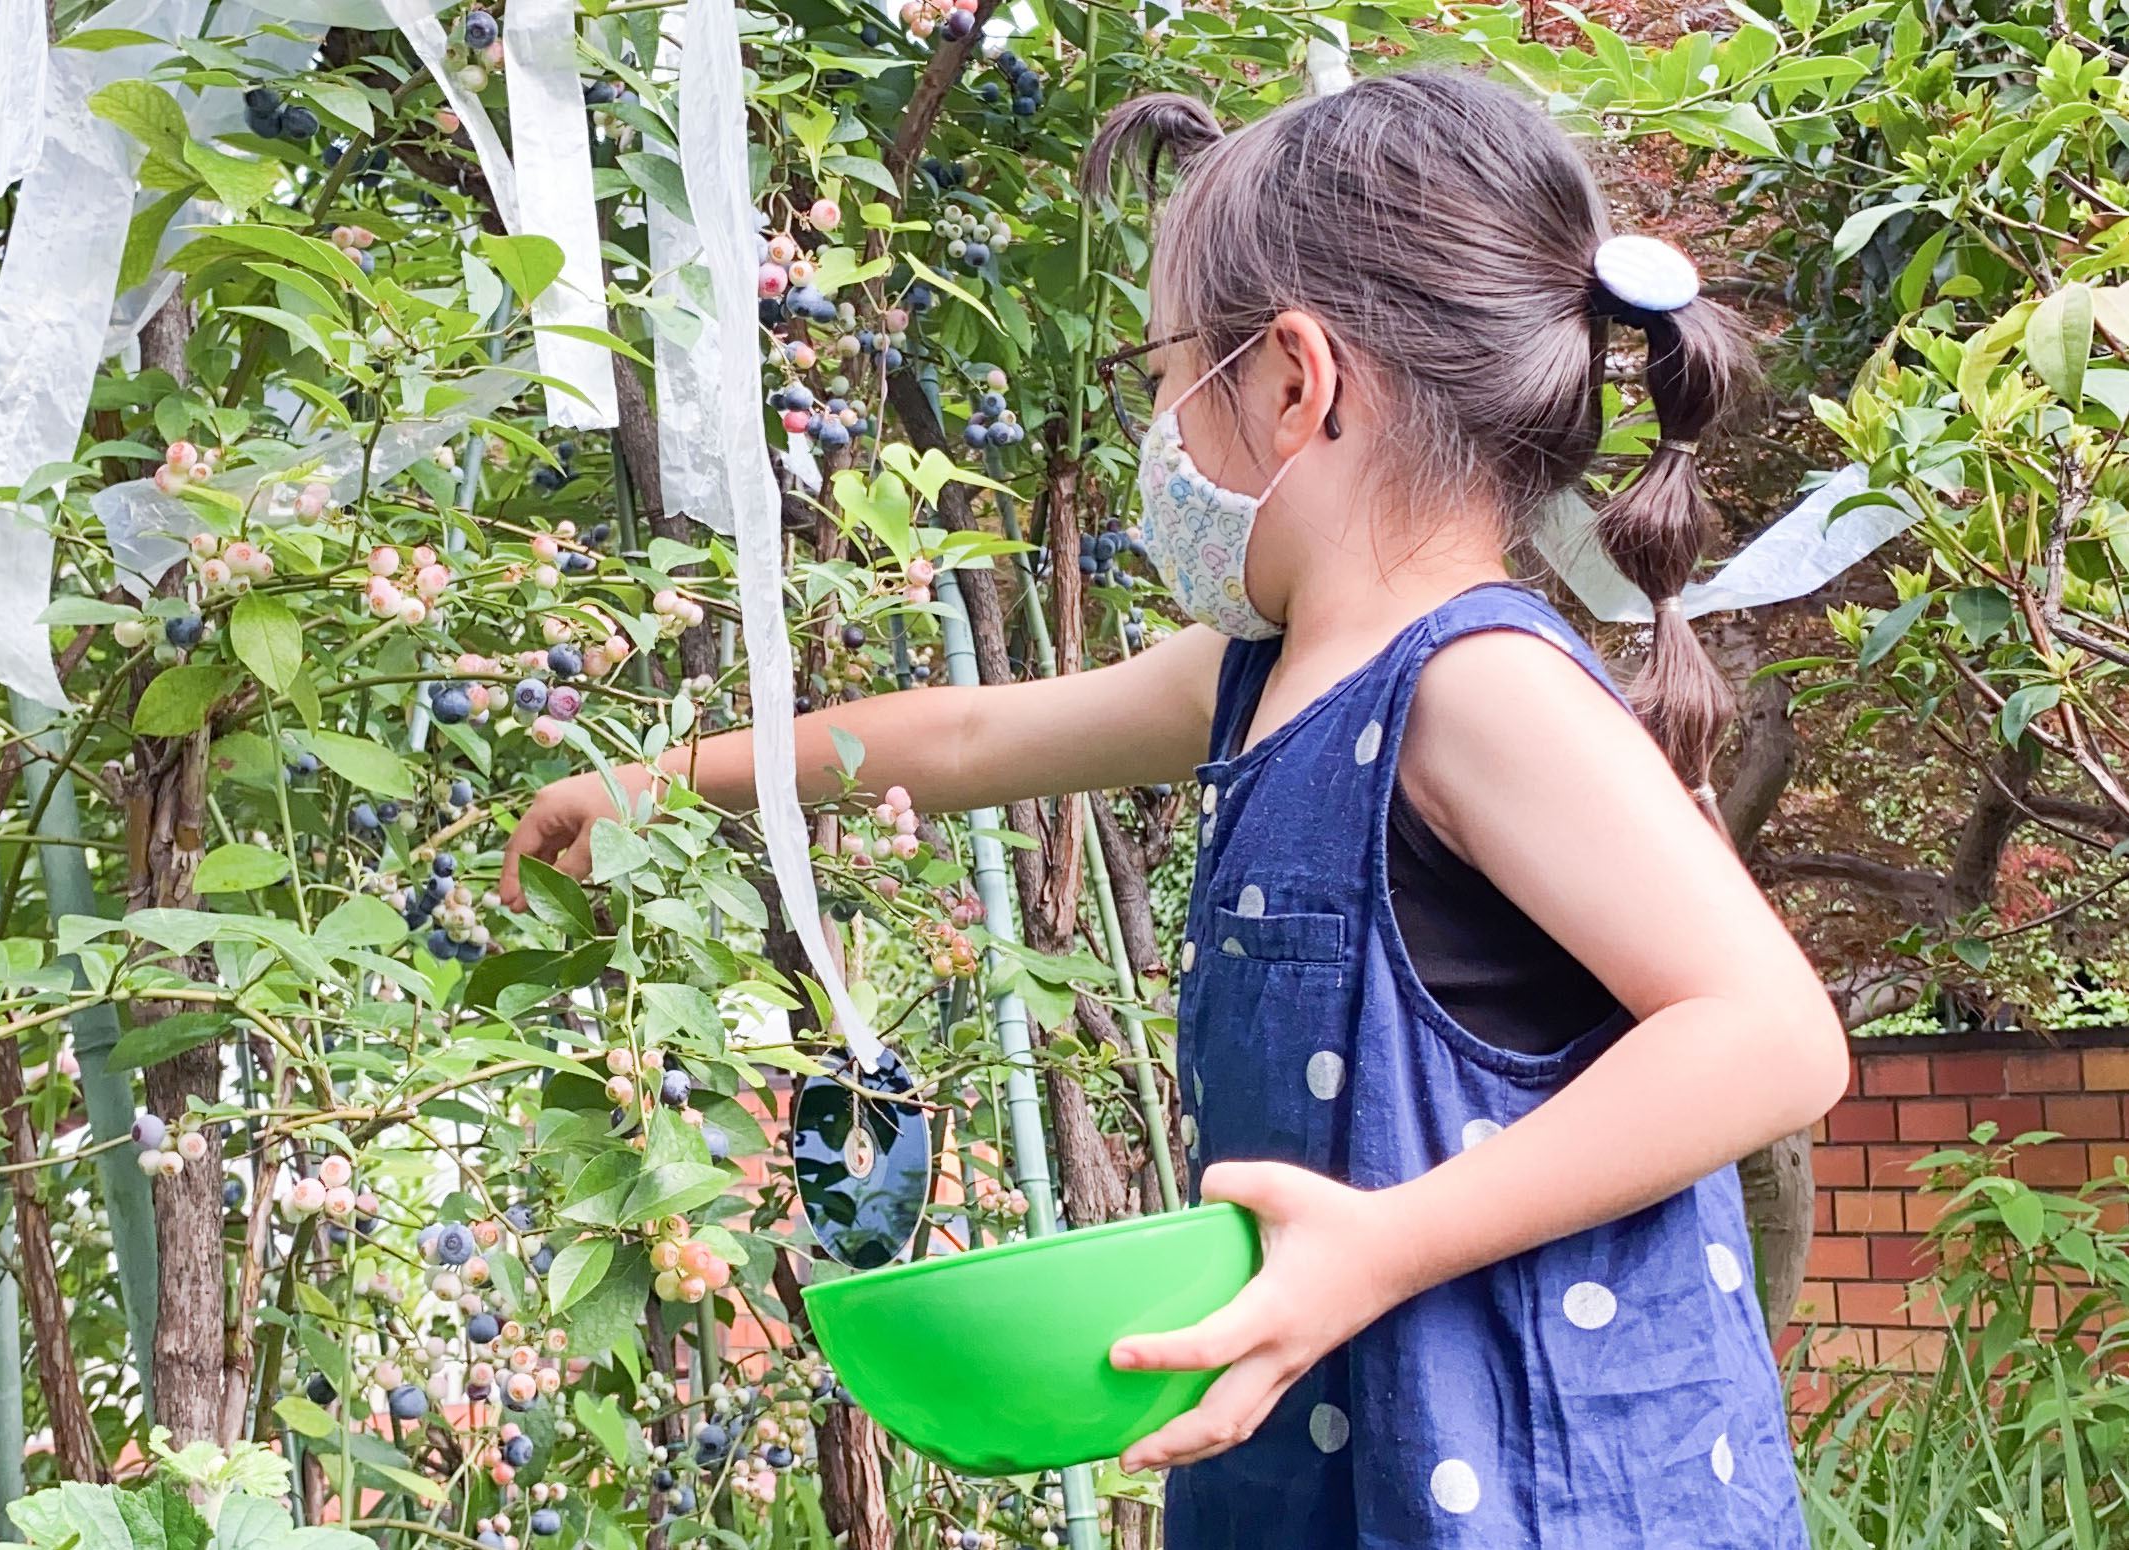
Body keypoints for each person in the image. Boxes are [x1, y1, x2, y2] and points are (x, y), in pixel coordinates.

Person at [503, 71, 1844, 1548]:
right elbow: (964, 732)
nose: (1159, 433)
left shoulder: (1477, 685)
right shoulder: (1257, 673)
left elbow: (1770, 1036)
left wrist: (1382, 1244)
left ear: (1293, 382)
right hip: (1336, 1452)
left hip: (1540, 1478)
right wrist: (659, 781)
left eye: (1168, 379)